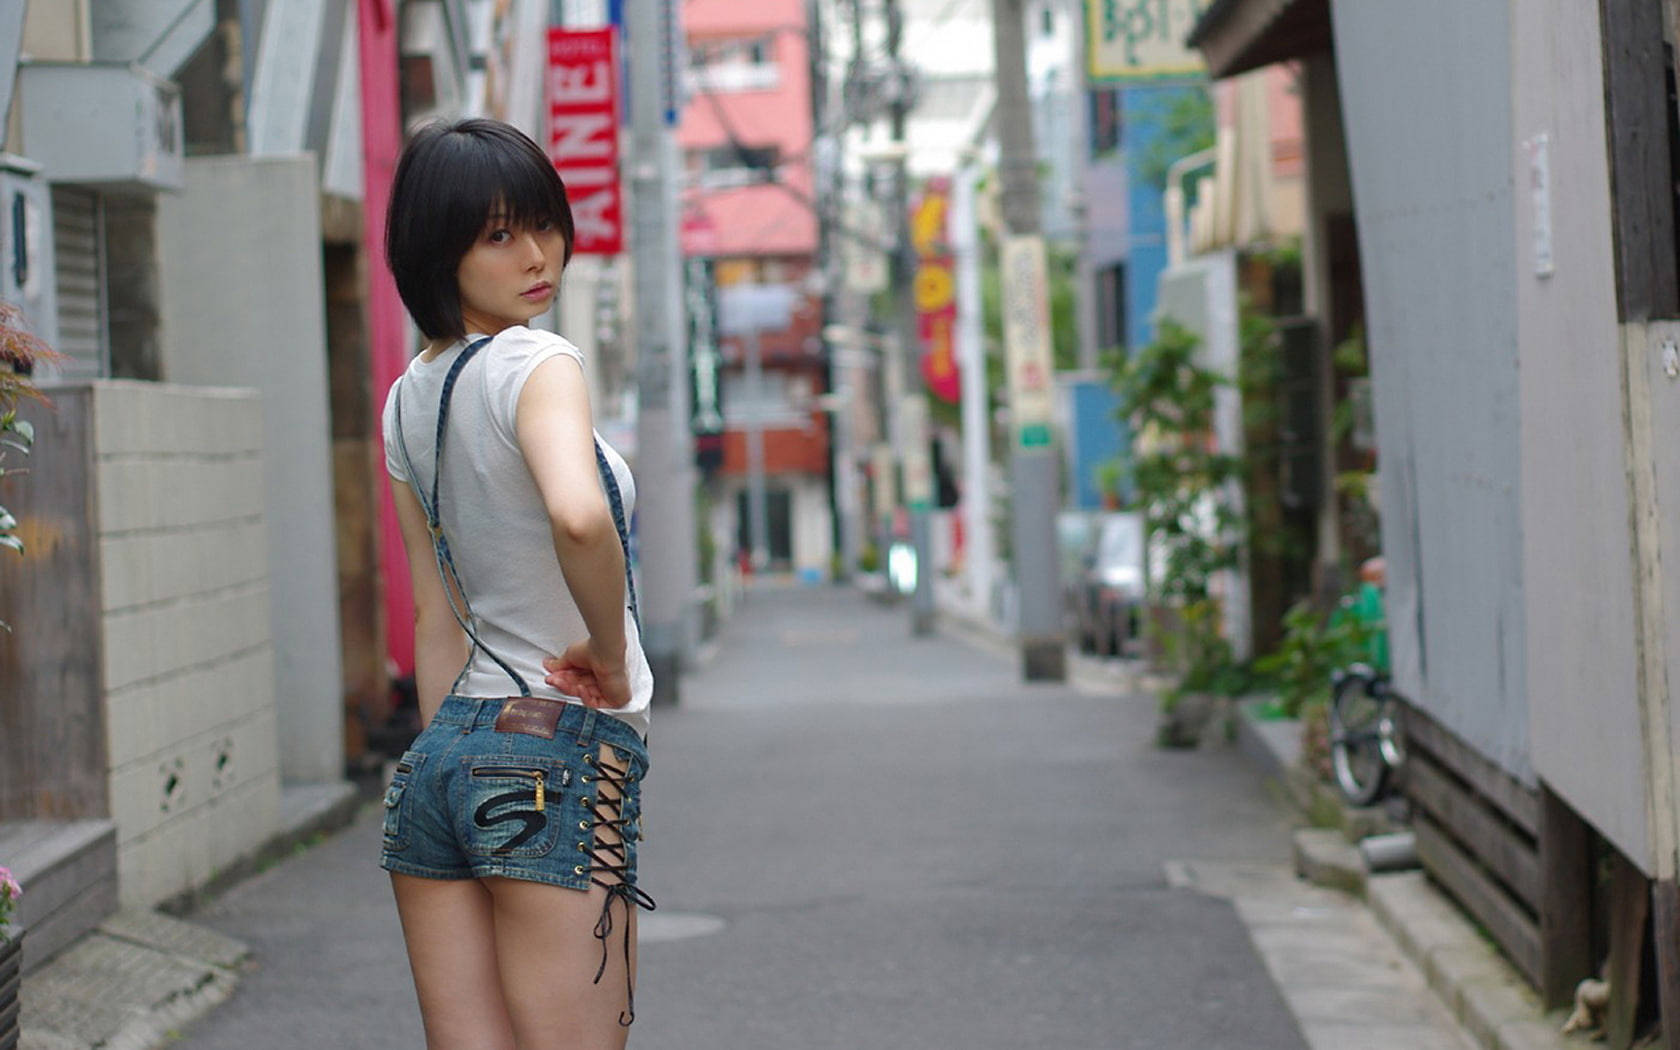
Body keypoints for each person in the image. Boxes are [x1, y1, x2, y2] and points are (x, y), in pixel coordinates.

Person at [377, 117, 654, 1049]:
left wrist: (449, 760)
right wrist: (607, 658)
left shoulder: (405, 399)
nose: (538, 256)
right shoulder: (540, 363)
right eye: (498, 235)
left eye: (544, 223)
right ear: (436, 251)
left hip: (442, 760)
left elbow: (435, 613)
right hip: (551, 750)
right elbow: (578, 515)